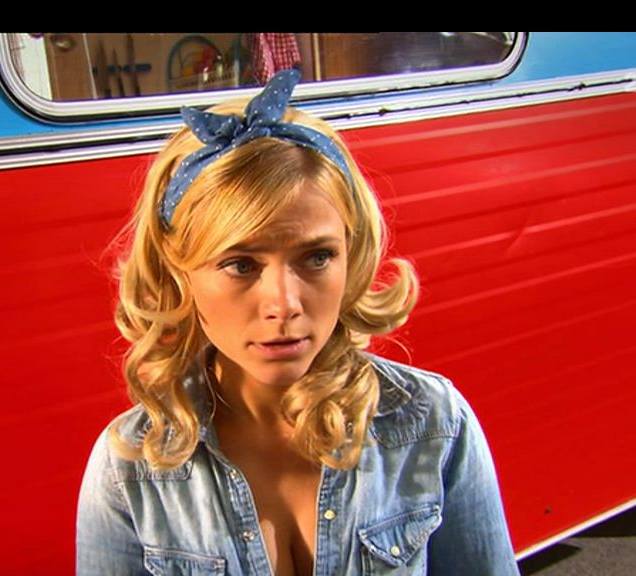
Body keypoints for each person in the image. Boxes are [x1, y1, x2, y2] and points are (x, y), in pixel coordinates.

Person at [76, 69, 519, 576]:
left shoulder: (433, 424)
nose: (284, 304)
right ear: (180, 273)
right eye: (240, 264)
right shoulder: (129, 469)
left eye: (316, 257)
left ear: (351, 254)